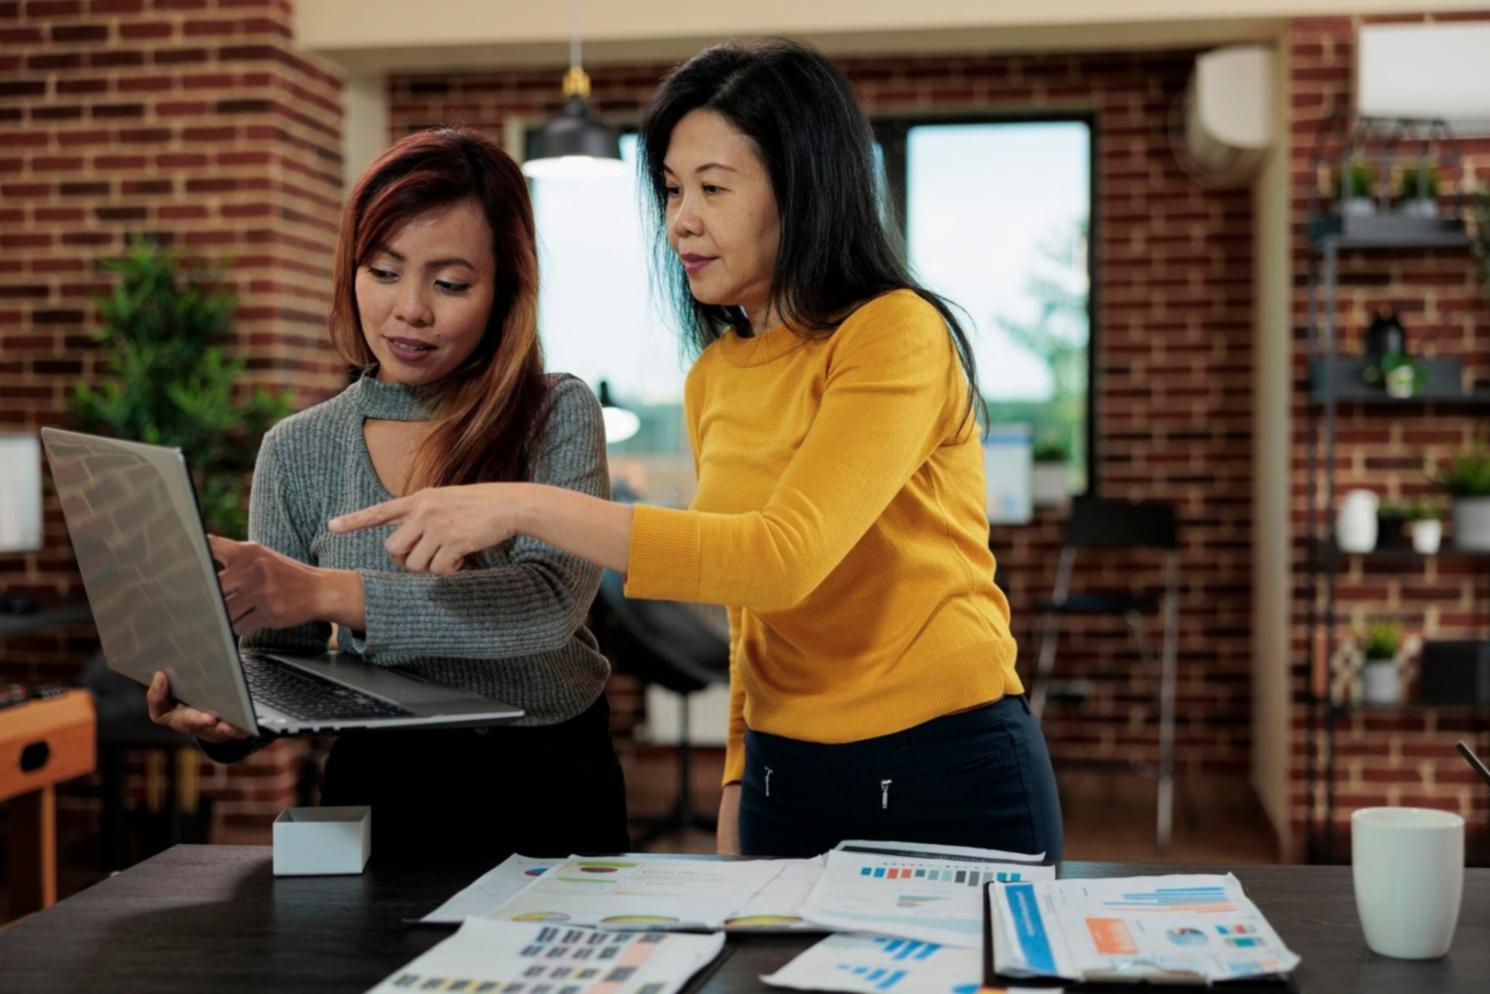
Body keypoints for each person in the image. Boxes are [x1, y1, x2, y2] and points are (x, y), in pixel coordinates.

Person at [332, 39, 1062, 861]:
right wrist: (740, 775)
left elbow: (780, 558)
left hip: (944, 763)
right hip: (790, 777)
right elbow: (753, 612)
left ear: (805, 190)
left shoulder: (894, 333)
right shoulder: (716, 375)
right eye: (674, 189)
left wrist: (522, 501)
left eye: (714, 188)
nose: (680, 218)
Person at [146, 127, 629, 863]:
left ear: (504, 290)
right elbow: (281, 656)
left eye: (450, 283)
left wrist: (325, 591)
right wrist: (229, 716)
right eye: (384, 270)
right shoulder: (297, 448)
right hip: (381, 782)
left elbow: (544, 608)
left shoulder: (555, 413)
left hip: (547, 781)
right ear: (350, 271)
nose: (410, 310)